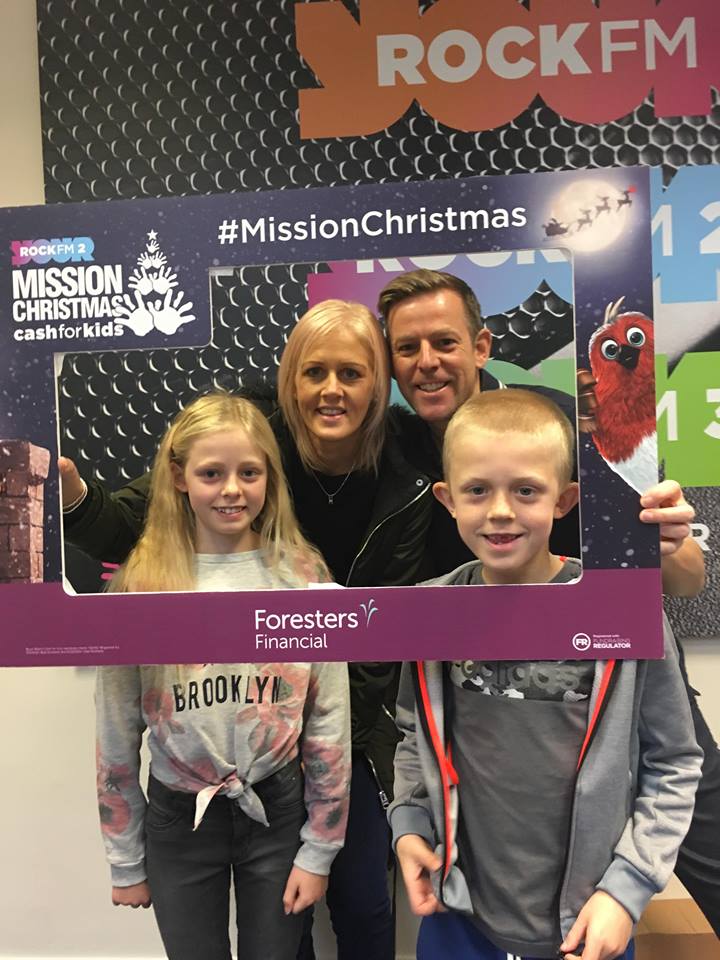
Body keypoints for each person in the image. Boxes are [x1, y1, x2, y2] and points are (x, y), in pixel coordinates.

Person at [63, 301, 431, 960]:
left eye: (352, 372)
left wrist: (323, 828)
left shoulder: (397, 478)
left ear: (379, 384)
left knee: (359, 906)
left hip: (322, 755)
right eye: (314, 371)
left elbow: (350, 685)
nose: (332, 388)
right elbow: (116, 725)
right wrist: (72, 502)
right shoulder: (157, 569)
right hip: (190, 804)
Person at [378, 268, 720, 936]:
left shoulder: (566, 423)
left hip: (607, 682)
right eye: (407, 348)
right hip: (482, 702)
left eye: (443, 342)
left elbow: (685, 581)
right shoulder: (389, 449)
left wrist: (670, 538)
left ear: (481, 345)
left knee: (698, 820)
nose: (427, 362)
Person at [95, 393, 351, 960]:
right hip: (177, 817)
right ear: (179, 477)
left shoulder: (303, 578)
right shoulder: (143, 583)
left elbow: (329, 724)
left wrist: (319, 849)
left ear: (270, 478)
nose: (232, 490)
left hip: (278, 810)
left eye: (249, 472)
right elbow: (115, 734)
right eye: (212, 473)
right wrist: (125, 859)